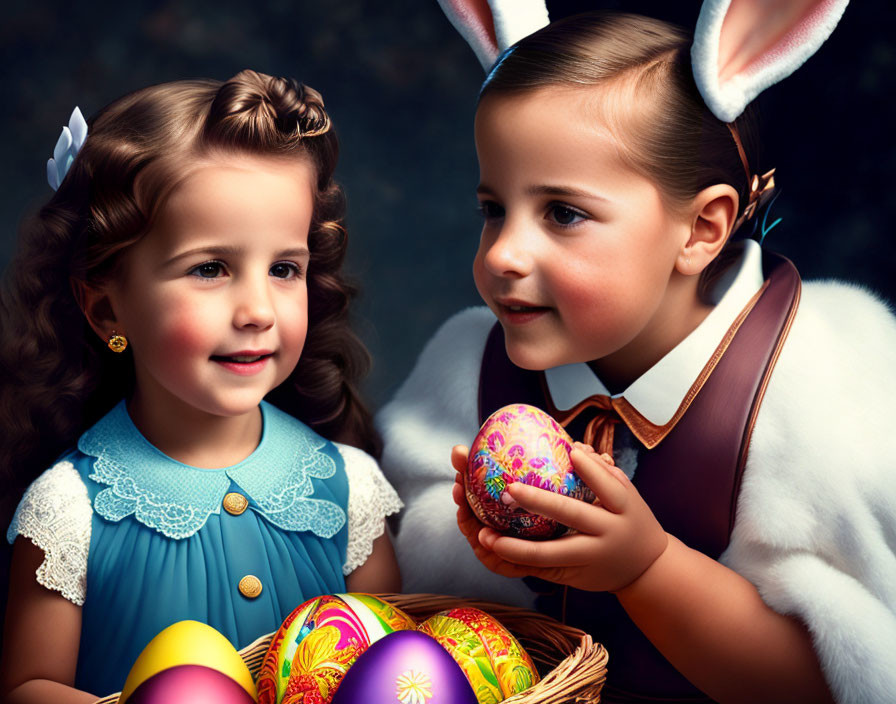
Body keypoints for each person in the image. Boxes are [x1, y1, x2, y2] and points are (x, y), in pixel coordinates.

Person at [377, 3, 896, 703]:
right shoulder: (469, 370)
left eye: (563, 213)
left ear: (701, 230)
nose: (501, 253)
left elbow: (845, 674)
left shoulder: (810, 398)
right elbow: (404, 608)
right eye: (493, 208)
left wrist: (645, 569)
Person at [0, 69, 402, 703]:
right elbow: (28, 687)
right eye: (211, 268)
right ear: (107, 310)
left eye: (283, 268)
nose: (258, 311)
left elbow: (398, 665)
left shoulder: (347, 488)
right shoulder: (70, 509)